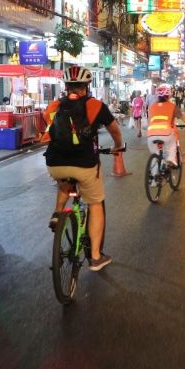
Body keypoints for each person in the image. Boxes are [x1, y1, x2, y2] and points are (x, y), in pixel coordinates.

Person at [43, 65, 124, 272]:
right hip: (84, 165)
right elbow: (114, 129)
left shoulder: (53, 106)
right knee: (95, 204)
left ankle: (57, 213)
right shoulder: (95, 105)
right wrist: (117, 146)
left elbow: (47, 131)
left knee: (64, 182)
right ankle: (96, 257)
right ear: (86, 87)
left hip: (55, 164)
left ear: (66, 86)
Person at [146, 84, 185, 168]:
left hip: (150, 135)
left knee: (156, 157)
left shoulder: (152, 107)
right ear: (168, 95)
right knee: (173, 143)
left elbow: (149, 121)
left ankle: (154, 178)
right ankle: (171, 159)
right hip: (166, 133)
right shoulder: (172, 106)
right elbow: (182, 117)